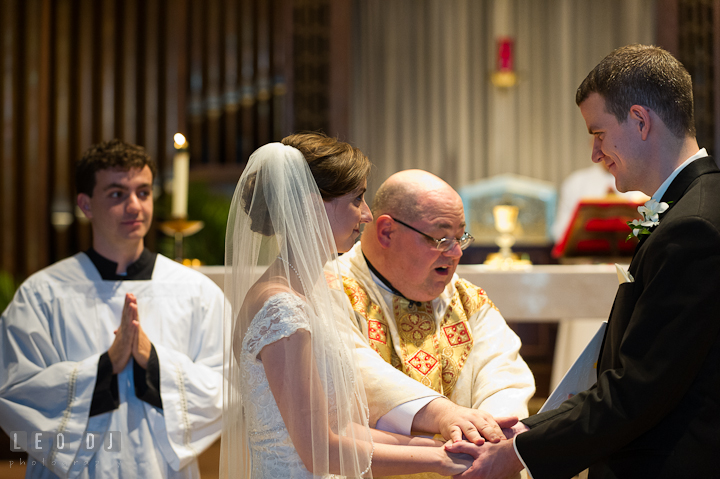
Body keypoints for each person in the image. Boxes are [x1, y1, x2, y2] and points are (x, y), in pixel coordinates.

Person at [449, 44, 720, 479]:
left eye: (598, 134)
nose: (595, 154)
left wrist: (519, 451)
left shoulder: (694, 228)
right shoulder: (690, 207)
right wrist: (531, 427)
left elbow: (640, 389)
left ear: (640, 120)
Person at [220, 133, 502, 478]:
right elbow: (321, 449)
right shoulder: (280, 306)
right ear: (312, 206)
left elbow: (346, 429)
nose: (367, 214)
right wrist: (441, 461)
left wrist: (447, 447)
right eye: (357, 199)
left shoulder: (307, 294)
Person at [0, 139, 224, 478]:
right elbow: (15, 392)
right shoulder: (42, 295)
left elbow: (224, 387)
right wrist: (105, 367)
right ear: (85, 205)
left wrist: (154, 362)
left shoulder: (196, 292)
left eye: (144, 192)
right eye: (117, 194)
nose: (135, 206)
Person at [336, 170, 535, 478]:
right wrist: (444, 415)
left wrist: (489, 438)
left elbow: (503, 374)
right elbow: (356, 372)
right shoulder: (334, 289)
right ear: (386, 231)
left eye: (461, 238)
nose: (455, 253)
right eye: (441, 238)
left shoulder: (467, 300)